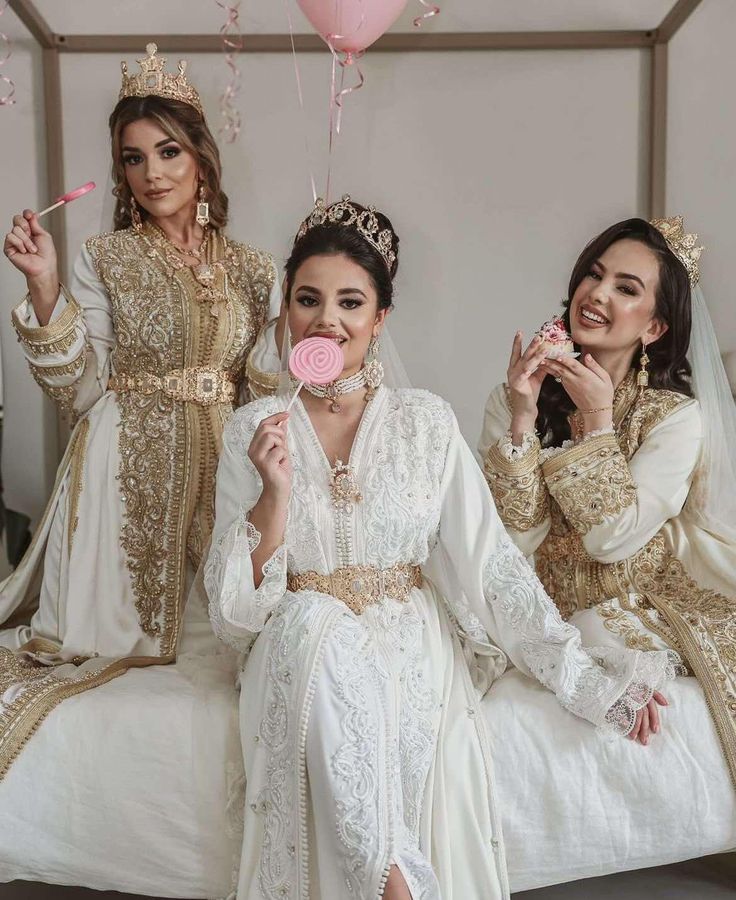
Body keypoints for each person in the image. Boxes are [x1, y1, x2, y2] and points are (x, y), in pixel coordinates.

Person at [205, 197, 678, 899]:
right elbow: (234, 620)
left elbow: (491, 567)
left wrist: (586, 683)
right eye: (308, 299)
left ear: (379, 319)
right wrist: (272, 497)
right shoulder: (252, 427)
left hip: (408, 644)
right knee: (313, 623)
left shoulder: (425, 422)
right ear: (286, 315)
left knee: (333, 641)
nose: (327, 319)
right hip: (294, 648)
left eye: (350, 302)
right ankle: (399, 885)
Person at [0, 43, 278, 779]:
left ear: (200, 159)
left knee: (224, 641)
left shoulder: (253, 267)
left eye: (168, 151)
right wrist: (44, 289)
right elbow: (79, 388)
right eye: (132, 158)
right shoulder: (105, 257)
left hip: (225, 464)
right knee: (120, 654)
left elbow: (266, 385)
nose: (152, 173)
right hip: (123, 461)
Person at [480, 216, 736, 785]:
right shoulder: (514, 395)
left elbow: (610, 537)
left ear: (654, 328)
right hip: (533, 601)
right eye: (594, 275)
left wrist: (596, 422)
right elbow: (510, 539)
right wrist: (522, 420)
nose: (597, 293)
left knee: (599, 631)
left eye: (627, 288)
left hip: (633, 596)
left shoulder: (674, 419)